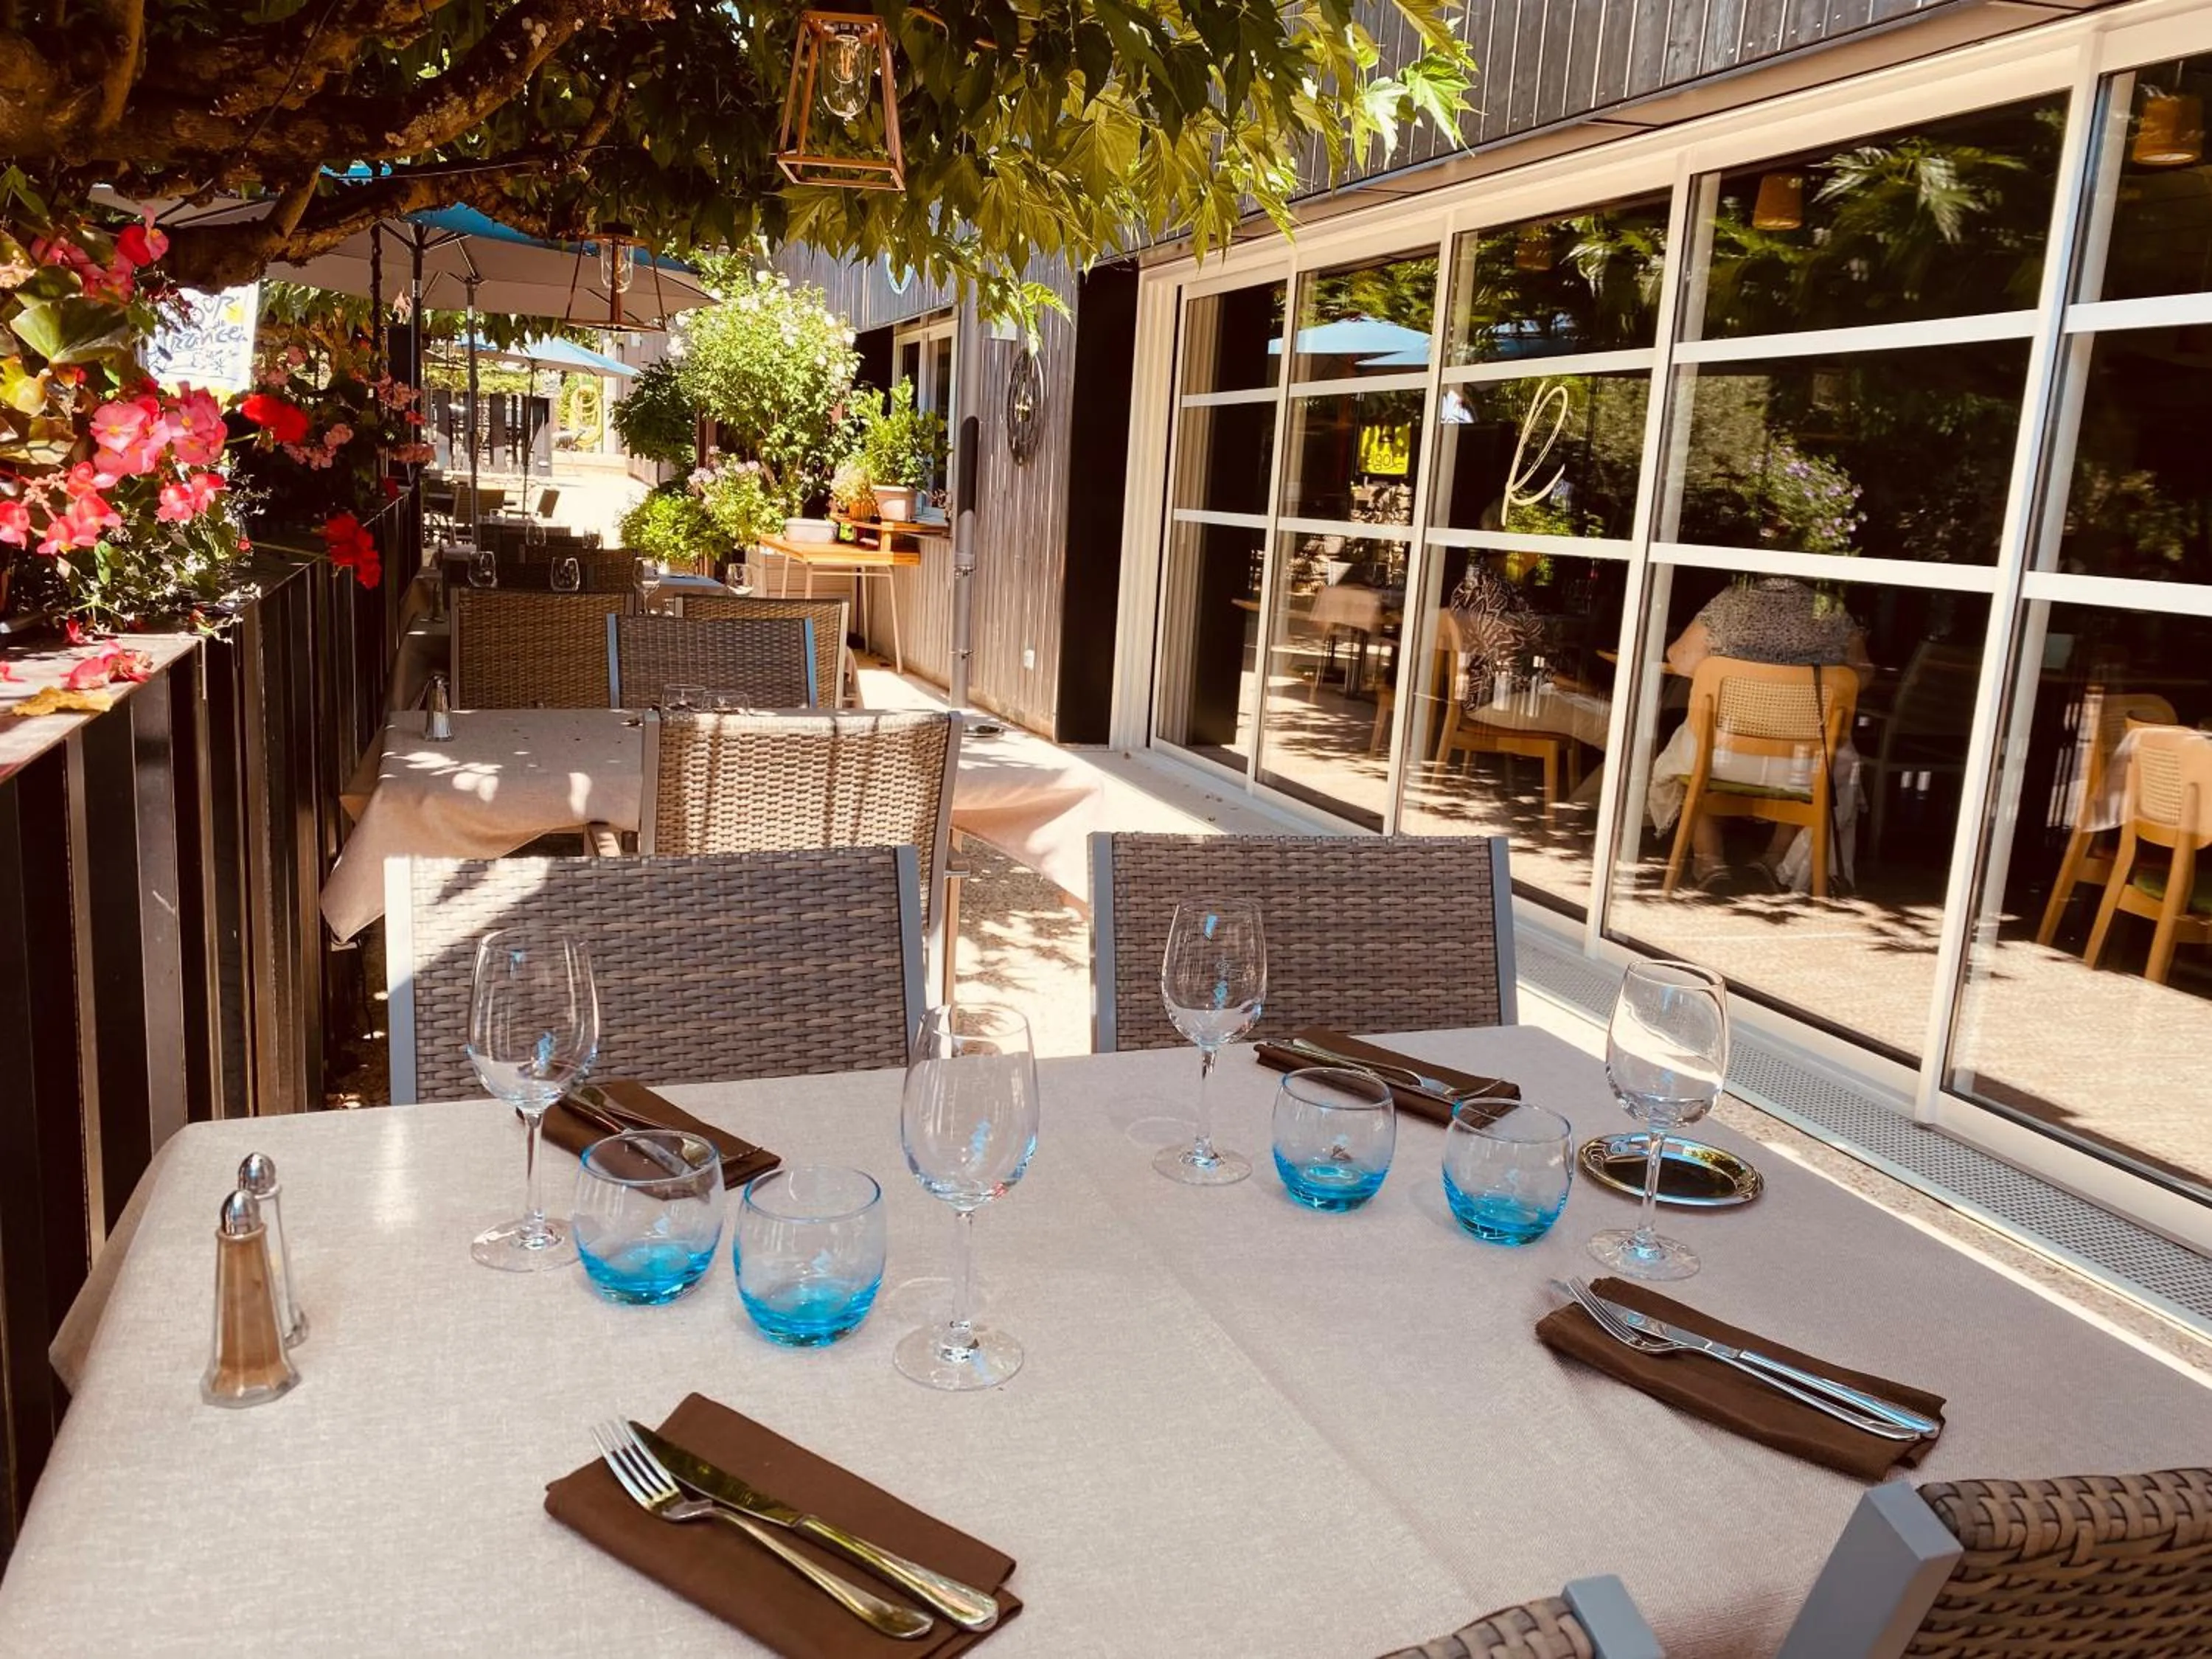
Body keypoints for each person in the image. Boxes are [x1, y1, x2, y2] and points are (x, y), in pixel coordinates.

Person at [1646, 576, 1875, 893]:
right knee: (1819, 754)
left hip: (1723, 756)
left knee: (1688, 748)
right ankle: (1774, 860)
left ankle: (1709, 860)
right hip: (1800, 765)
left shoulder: (1729, 602)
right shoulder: (1831, 611)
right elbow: (1860, 677)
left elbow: (1682, 660)